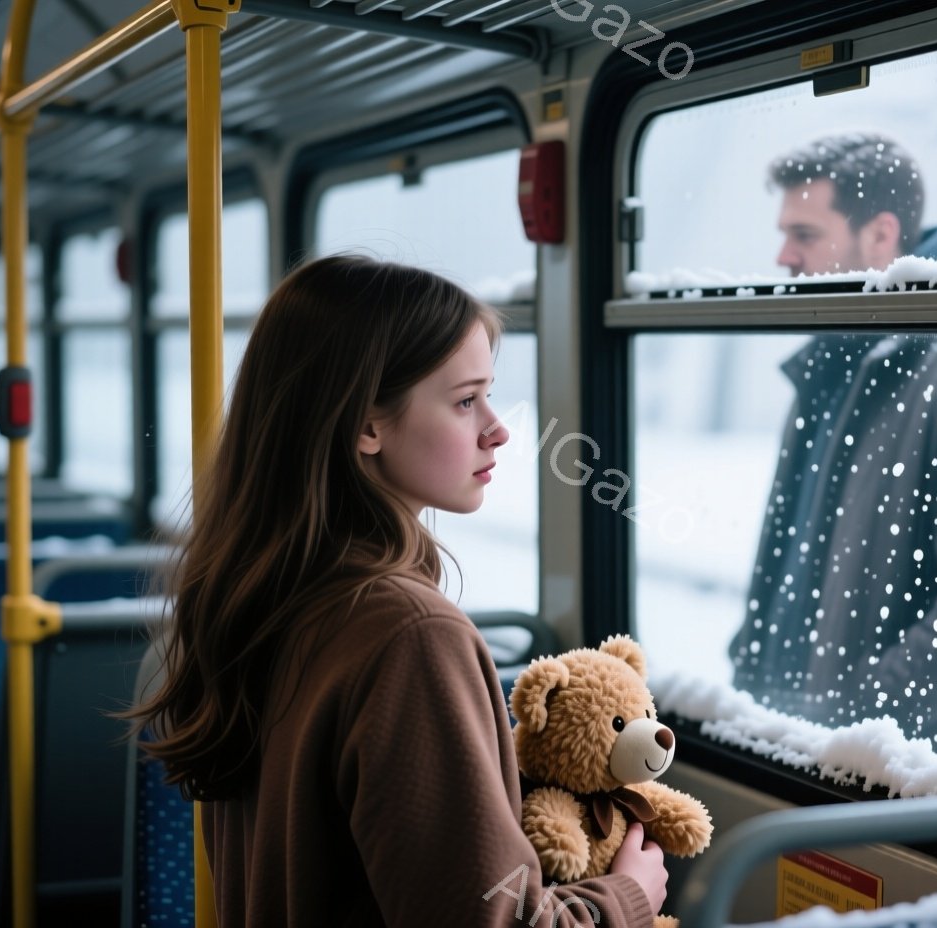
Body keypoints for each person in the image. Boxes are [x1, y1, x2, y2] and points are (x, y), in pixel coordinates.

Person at [125, 255, 665, 926]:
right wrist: (628, 894)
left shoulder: (270, 594)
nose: (498, 428)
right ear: (367, 425)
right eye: (466, 400)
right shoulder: (409, 634)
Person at [729, 134, 937, 781]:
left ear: (881, 236)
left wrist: (853, 719)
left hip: (910, 783)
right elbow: (788, 562)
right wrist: (753, 683)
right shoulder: (829, 366)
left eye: (804, 234)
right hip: (800, 758)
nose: (783, 256)